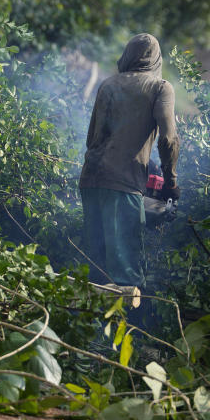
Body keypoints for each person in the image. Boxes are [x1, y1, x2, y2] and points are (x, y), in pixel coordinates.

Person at [79, 33, 180, 287]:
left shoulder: (108, 84)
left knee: (97, 270)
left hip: (90, 181)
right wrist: (171, 183)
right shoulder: (160, 87)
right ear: (156, 60)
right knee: (125, 276)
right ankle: (127, 326)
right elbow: (168, 141)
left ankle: (92, 325)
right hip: (122, 186)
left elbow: (93, 140)